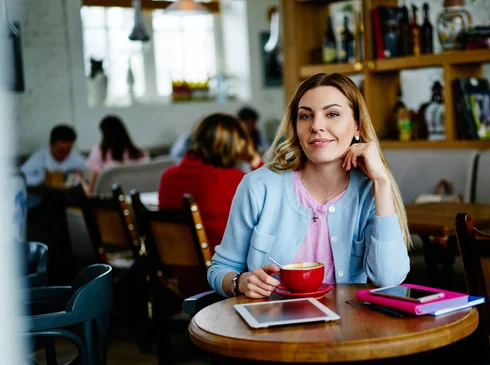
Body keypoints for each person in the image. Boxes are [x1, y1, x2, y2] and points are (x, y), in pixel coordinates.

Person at [207, 73, 411, 299]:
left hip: (349, 329)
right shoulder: (258, 186)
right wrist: (241, 282)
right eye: (305, 116)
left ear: (357, 127)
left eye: (332, 114)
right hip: (272, 327)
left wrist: (382, 183)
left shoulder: (370, 191)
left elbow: (389, 279)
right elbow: (219, 270)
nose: (316, 126)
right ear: (295, 127)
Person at [159, 113, 263, 257]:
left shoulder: (168, 177)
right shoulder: (235, 179)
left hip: (176, 268)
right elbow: (274, 200)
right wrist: (255, 161)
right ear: (235, 144)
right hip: (221, 271)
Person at [86, 115, 150, 191]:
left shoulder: (99, 152)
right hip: (138, 194)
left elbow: (93, 184)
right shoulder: (140, 154)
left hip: (110, 198)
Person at [20, 124, 87, 187]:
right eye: (60, 151)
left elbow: (91, 170)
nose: (65, 154)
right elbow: (20, 177)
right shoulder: (41, 156)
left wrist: (81, 174)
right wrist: (42, 179)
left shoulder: (74, 157)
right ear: (50, 144)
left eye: (68, 150)